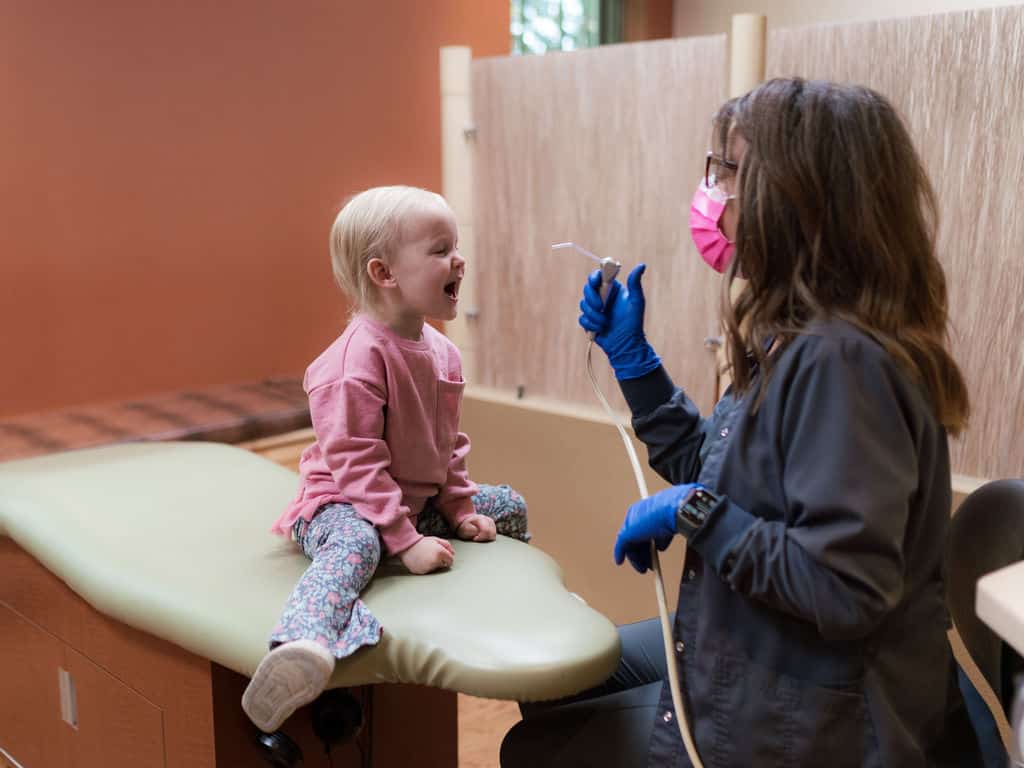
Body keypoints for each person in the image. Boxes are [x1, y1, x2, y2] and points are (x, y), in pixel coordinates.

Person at [501, 78, 982, 767]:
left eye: (730, 173)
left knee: (538, 747)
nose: (714, 196)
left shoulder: (842, 361)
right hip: (758, 642)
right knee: (556, 671)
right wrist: (633, 362)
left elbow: (845, 588)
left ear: (799, 200)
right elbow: (714, 469)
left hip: (824, 714)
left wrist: (697, 516)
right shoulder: (794, 335)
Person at [242, 185, 529, 734]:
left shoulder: (442, 351)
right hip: (343, 503)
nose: (458, 259)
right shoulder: (354, 360)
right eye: (440, 249)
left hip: (413, 503)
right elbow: (356, 465)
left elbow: (448, 445)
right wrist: (405, 541)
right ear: (384, 273)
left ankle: (512, 609)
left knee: (507, 504)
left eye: (456, 245)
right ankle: (298, 645)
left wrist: (461, 507)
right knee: (358, 544)